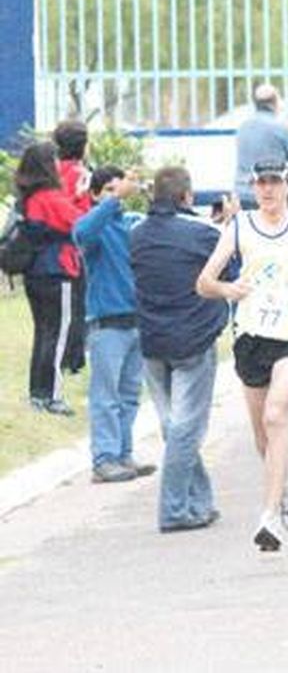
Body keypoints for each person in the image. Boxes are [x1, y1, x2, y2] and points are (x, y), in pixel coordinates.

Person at [196, 158, 288, 552]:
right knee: (262, 435)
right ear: (253, 188)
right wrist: (228, 289)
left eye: (275, 183)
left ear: (287, 186)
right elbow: (203, 281)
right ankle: (286, 481)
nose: (268, 190)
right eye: (261, 184)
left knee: (277, 415)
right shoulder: (240, 227)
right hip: (252, 335)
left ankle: (268, 517)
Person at [131, 167, 231, 532]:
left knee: (174, 426)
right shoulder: (203, 233)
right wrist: (225, 223)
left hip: (152, 341)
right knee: (187, 427)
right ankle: (174, 509)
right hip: (194, 338)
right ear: (187, 197)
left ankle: (199, 501)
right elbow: (230, 267)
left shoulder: (137, 234)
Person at [73, 166, 153, 483]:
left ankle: (123, 453)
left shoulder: (131, 224)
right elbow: (80, 234)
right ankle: (104, 459)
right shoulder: (95, 226)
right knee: (105, 396)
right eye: (107, 189)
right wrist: (112, 200)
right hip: (106, 323)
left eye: (117, 189)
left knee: (130, 395)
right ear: (94, 195)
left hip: (136, 321)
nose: (115, 194)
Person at [16, 141, 86, 415]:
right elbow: (81, 224)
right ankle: (53, 395)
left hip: (34, 272)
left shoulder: (29, 198)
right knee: (57, 335)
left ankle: (37, 392)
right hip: (57, 270)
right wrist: (83, 197)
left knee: (43, 333)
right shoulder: (52, 197)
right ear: (48, 165)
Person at [52, 120, 91, 374]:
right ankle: (73, 357)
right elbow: (85, 214)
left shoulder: (51, 172)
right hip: (73, 250)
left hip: (49, 248)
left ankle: (60, 353)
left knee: (55, 312)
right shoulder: (82, 174)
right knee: (77, 306)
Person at [234, 84, 288, 205]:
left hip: (241, 194)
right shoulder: (281, 127)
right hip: (270, 196)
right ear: (275, 102)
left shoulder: (243, 127)